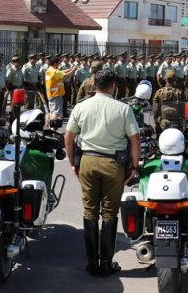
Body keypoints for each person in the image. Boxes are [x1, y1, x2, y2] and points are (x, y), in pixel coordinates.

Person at [64, 69, 140, 277]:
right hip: (113, 163)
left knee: (89, 211)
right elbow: (135, 140)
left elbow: (69, 136)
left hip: (87, 161)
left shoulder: (81, 106)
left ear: (94, 84)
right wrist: (134, 167)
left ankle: (91, 262)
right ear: (113, 85)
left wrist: (72, 163)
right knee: (109, 213)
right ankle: (105, 263)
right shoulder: (123, 109)